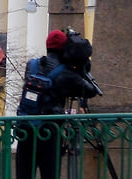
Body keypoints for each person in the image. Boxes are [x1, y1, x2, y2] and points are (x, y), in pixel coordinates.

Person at [15, 30, 101, 179]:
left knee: (24, 175)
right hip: (49, 132)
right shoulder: (65, 74)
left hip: (25, 130)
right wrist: (81, 68)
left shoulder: (32, 65)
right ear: (64, 49)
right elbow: (92, 91)